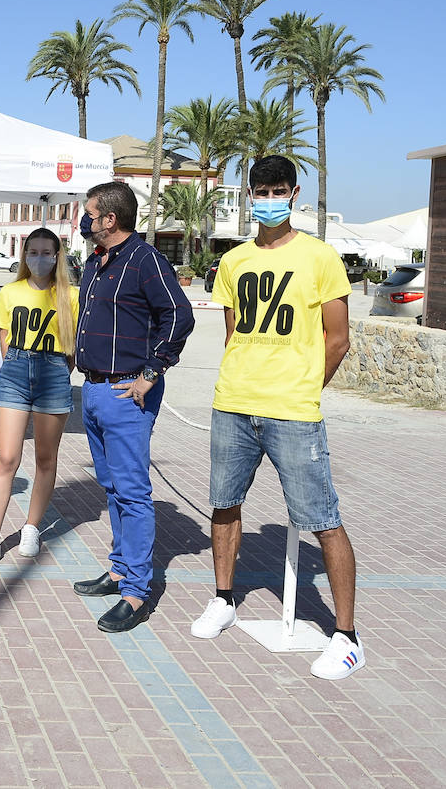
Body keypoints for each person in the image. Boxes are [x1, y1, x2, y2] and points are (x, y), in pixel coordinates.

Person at [190, 156, 363, 679]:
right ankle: (224, 598)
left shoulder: (320, 257)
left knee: (321, 519)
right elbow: (232, 333)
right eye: (259, 189)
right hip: (234, 403)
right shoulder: (235, 261)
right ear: (248, 194)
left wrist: (306, 387)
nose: (268, 198)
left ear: (293, 193)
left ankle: (347, 636)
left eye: (278, 190)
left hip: (293, 410)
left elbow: (338, 338)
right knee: (224, 504)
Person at [71, 180, 195, 632]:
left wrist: (151, 372)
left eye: (89, 214)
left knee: (133, 492)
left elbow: (179, 317)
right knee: (113, 487)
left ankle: (136, 591)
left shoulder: (145, 260)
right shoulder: (97, 261)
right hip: (95, 389)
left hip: (128, 391)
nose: (83, 221)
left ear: (110, 219)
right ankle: (120, 567)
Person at [0, 228, 79, 569]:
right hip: (16, 371)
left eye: (46, 252)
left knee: (46, 459)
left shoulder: (70, 296)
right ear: (24, 256)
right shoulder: (10, 291)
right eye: (32, 252)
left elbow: (72, 348)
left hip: (53, 371)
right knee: (6, 458)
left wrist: (59, 371)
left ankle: (31, 527)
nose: (39, 258)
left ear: (56, 256)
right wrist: (17, 366)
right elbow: (5, 340)